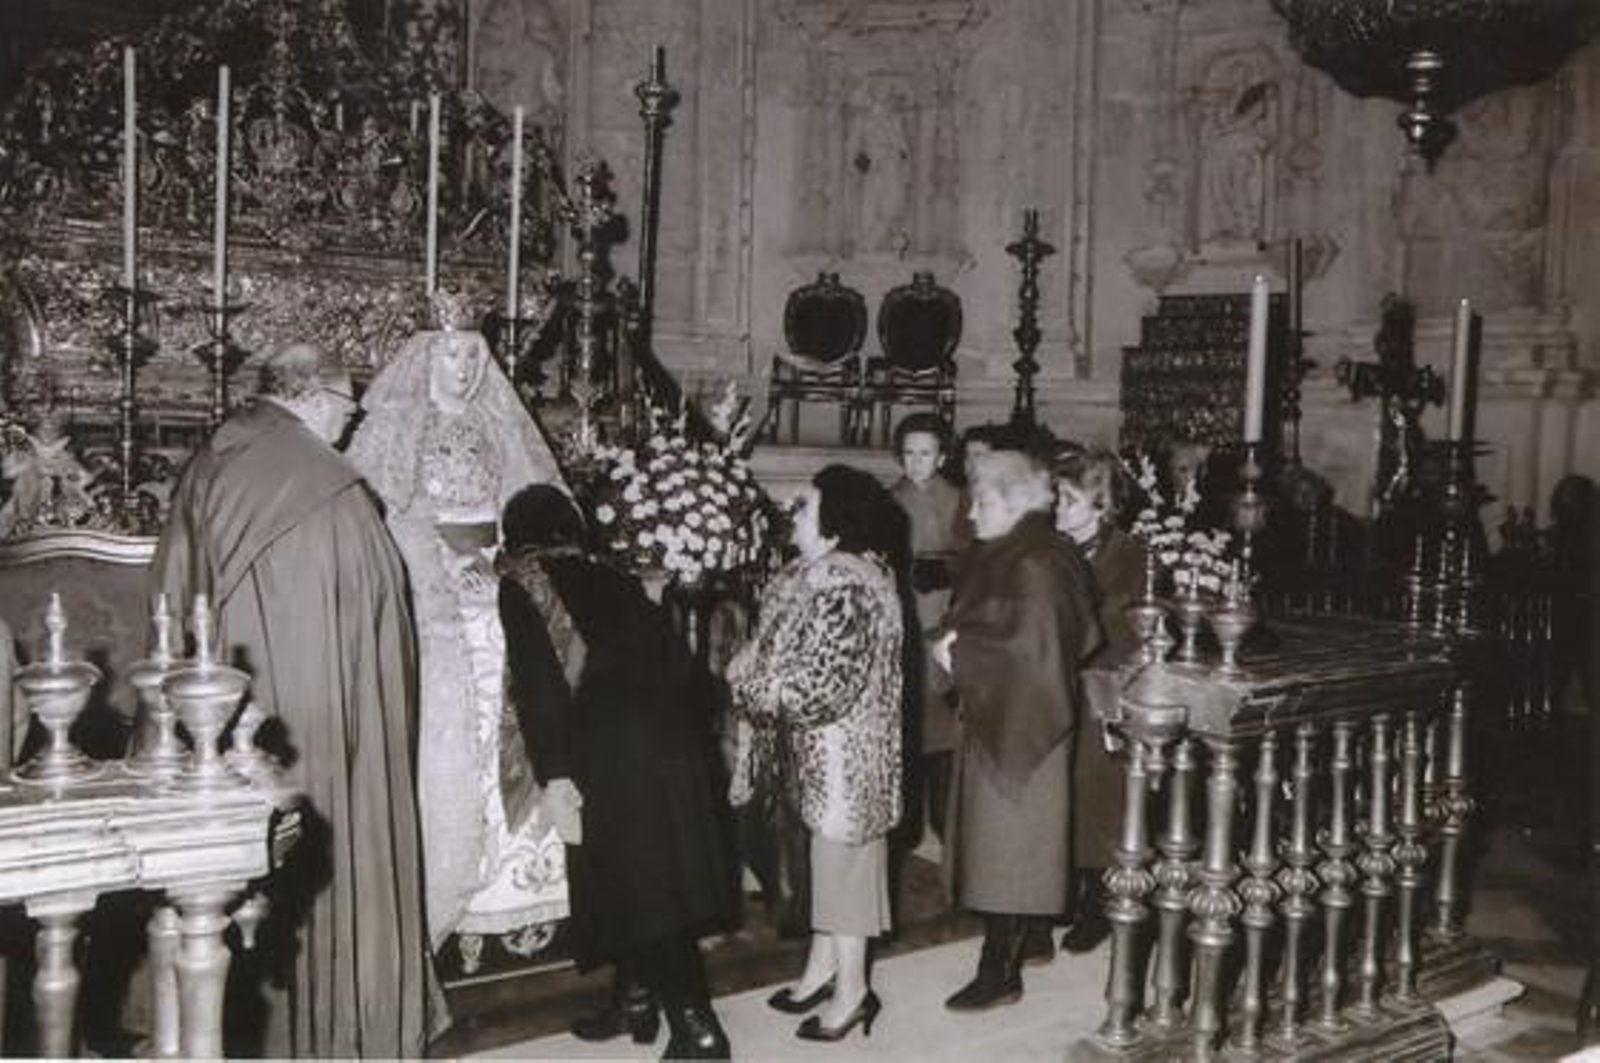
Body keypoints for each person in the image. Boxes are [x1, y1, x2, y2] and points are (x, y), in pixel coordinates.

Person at [149, 342, 440, 1057]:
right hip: (307, 715)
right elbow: (371, 623)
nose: (349, 423)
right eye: (347, 407)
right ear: (311, 396)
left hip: (217, 703)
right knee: (322, 835)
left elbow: (169, 589)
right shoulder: (325, 484)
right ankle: (332, 1020)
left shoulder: (216, 452)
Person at [347, 293, 570, 963]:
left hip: (494, 580)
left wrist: (499, 562)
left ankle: (527, 892)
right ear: (426, 355)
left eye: (477, 354)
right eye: (454, 353)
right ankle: (451, 890)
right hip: (427, 586)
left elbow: (526, 509)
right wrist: (442, 561)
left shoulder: (498, 422)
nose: (468, 367)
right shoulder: (396, 426)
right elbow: (379, 513)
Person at [497, 484, 734, 1060]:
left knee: (647, 887)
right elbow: (688, 670)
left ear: (517, 536)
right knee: (632, 876)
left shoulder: (521, 583)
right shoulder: (617, 577)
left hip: (610, 750)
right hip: (673, 740)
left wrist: (554, 772)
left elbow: (537, 687)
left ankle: (699, 1029)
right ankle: (635, 999)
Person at [727, 465, 905, 1042]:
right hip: (824, 755)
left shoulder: (846, 584)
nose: (792, 515)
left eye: (805, 506)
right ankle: (821, 969)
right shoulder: (819, 575)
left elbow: (820, 686)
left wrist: (751, 684)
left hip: (846, 758)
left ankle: (854, 993)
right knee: (829, 872)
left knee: (844, 873)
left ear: (833, 524)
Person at [933, 448, 1101, 1011]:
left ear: (1007, 501)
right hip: (1008, 710)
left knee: (1008, 845)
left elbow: (1034, 649)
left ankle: (999, 969)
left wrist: (959, 652)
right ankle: (1027, 940)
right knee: (1013, 841)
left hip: (1022, 720)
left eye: (980, 502)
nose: (972, 516)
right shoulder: (1024, 548)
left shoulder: (1033, 561)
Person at [1054, 445, 1148, 954]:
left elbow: (1129, 624)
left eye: (1067, 499)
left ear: (1101, 503)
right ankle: (1065, 889)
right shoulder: (1055, 547)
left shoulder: (1129, 553)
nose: (1057, 509)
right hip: (1058, 684)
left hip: (1104, 688)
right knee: (1062, 793)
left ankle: (1100, 901)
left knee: (1098, 797)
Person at [889, 413, 966, 864]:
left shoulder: (958, 499)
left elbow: (973, 557)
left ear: (941, 455)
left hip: (946, 614)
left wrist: (948, 569)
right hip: (908, 617)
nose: (917, 462)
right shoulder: (890, 499)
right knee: (909, 723)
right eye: (910, 453)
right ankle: (908, 823)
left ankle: (944, 819)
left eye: (927, 453)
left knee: (942, 725)